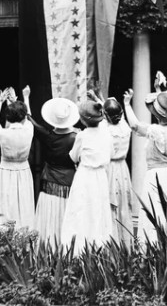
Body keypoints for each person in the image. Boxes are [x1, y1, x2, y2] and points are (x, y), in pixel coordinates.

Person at [123, 89, 167, 245]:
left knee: (154, 212)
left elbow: (135, 126)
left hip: (155, 176)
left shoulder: (157, 131)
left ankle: (153, 247)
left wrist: (127, 105)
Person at [60, 101, 113, 251]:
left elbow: (73, 156)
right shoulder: (106, 135)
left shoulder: (82, 136)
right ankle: (97, 247)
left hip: (85, 176)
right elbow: (111, 153)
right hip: (100, 176)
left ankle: (78, 249)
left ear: (82, 120)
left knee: (81, 210)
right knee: (97, 210)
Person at [30, 94, 79, 245]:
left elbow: (32, 122)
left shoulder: (48, 136)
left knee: (50, 217)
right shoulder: (77, 137)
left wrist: (26, 99)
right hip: (69, 183)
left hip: (49, 184)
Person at [0, 88, 35, 230]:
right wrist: (25, 98)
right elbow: (27, 116)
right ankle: (24, 234)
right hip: (23, 171)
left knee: (5, 203)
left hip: (6, 172)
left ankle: (3, 234)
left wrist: (0, 102)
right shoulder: (29, 130)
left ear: (8, 118)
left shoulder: (3, 133)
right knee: (24, 203)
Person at [103, 97, 134, 245]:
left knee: (110, 208)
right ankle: (125, 243)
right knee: (123, 206)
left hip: (110, 168)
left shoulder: (105, 130)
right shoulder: (125, 127)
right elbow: (112, 114)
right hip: (123, 168)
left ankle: (112, 244)